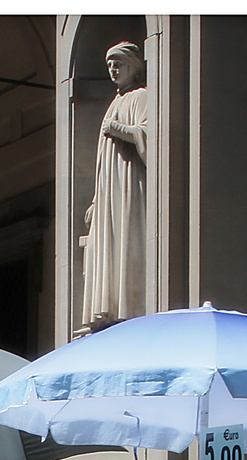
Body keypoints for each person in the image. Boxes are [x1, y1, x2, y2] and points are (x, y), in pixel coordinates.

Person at [78, 41, 149, 333]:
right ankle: (106, 310)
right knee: (105, 245)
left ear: (133, 66)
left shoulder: (141, 96)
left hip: (129, 186)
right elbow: (102, 166)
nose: (112, 70)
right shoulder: (114, 102)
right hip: (110, 190)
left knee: (125, 240)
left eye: (118, 64)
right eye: (109, 65)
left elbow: (150, 135)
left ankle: (128, 306)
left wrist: (119, 129)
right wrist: (97, 199)